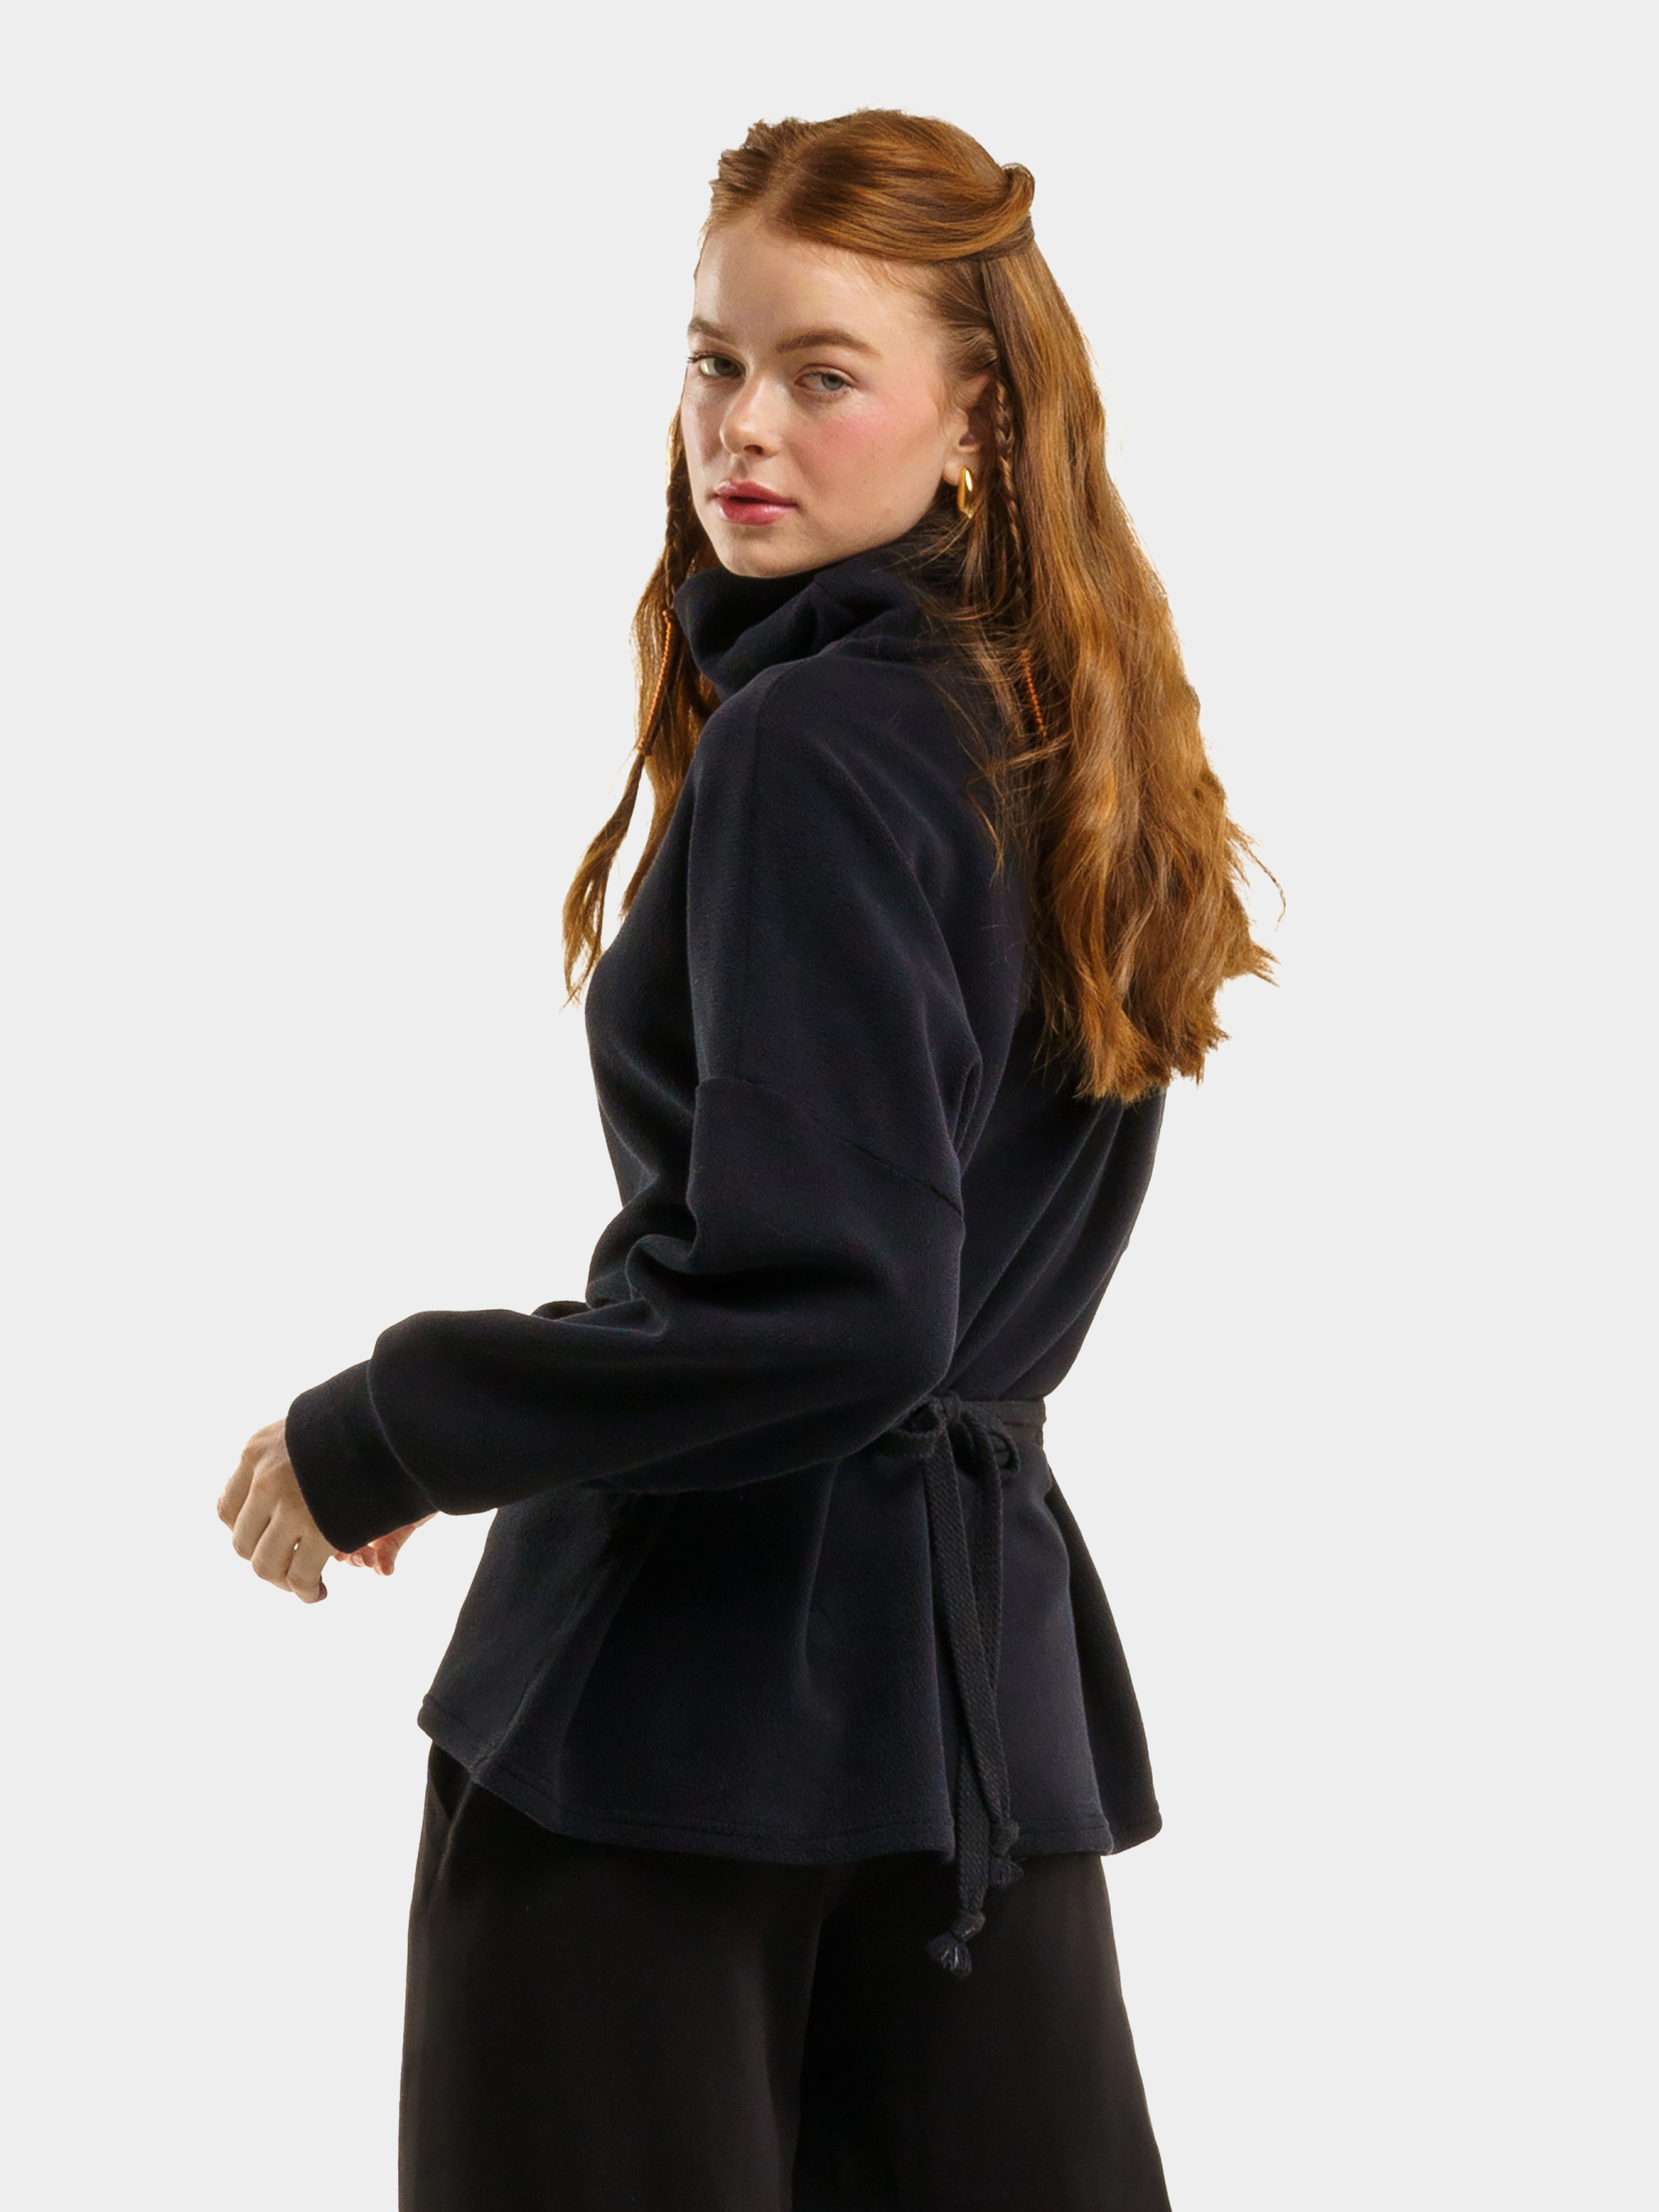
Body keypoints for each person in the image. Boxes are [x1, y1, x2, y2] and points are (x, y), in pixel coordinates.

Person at [218, 108, 1271, 2212]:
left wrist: (395, 1422)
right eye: (713, 359)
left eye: (820, 372)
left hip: (676, 1709)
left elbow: (839, 1314)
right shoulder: (1059, 736)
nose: (741, 427)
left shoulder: (815, 743)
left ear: (975, 423)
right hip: (963, 1730)